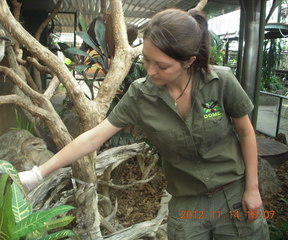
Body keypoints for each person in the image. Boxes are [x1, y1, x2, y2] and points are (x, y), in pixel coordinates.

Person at [19, 8, 270, 240]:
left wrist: (252, 189)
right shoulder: (141, 95)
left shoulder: (221, 82)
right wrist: (37, 174)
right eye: (146, 60)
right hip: (187, 202)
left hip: (235, 193)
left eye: (162, 66)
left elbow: (246, 133)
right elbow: (94, 137)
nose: (150, 71)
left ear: (189, 61)